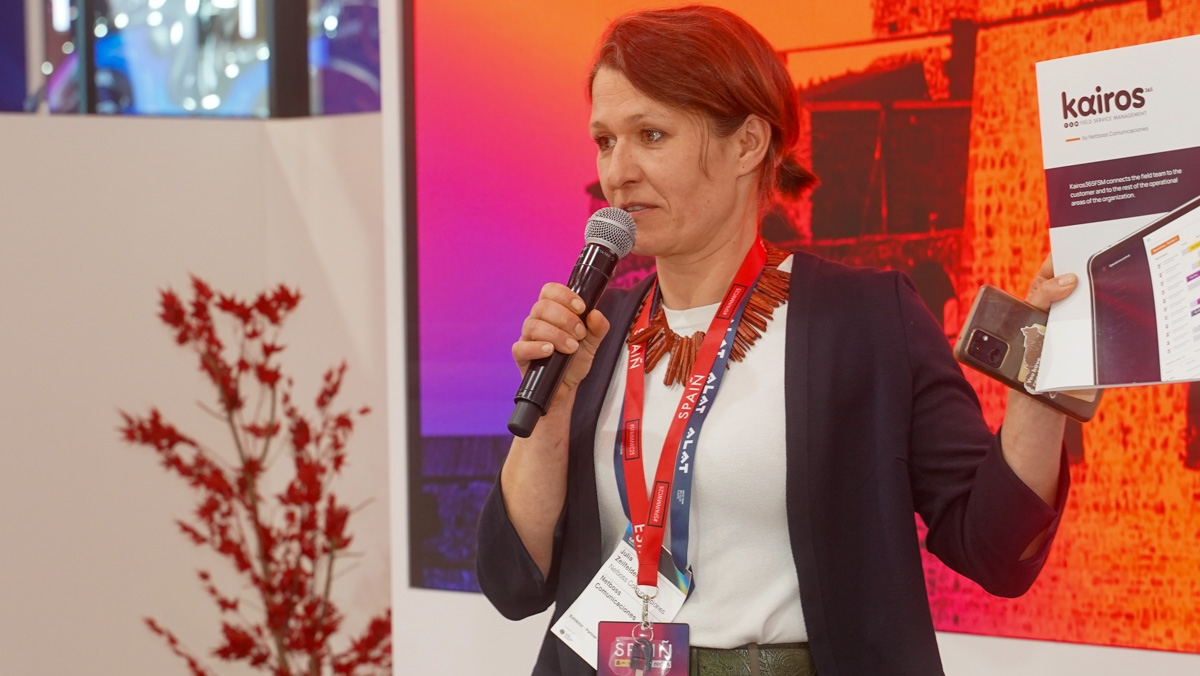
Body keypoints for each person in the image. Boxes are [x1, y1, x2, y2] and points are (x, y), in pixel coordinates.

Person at [477, 6, 1075, 675]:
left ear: (748, 144)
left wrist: (1041, 391)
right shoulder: (597, 328)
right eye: (605, 141)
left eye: (651, 134)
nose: (618, 172)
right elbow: (512, 581)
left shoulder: (866, 319)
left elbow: (994, 549)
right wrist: (554, 407)